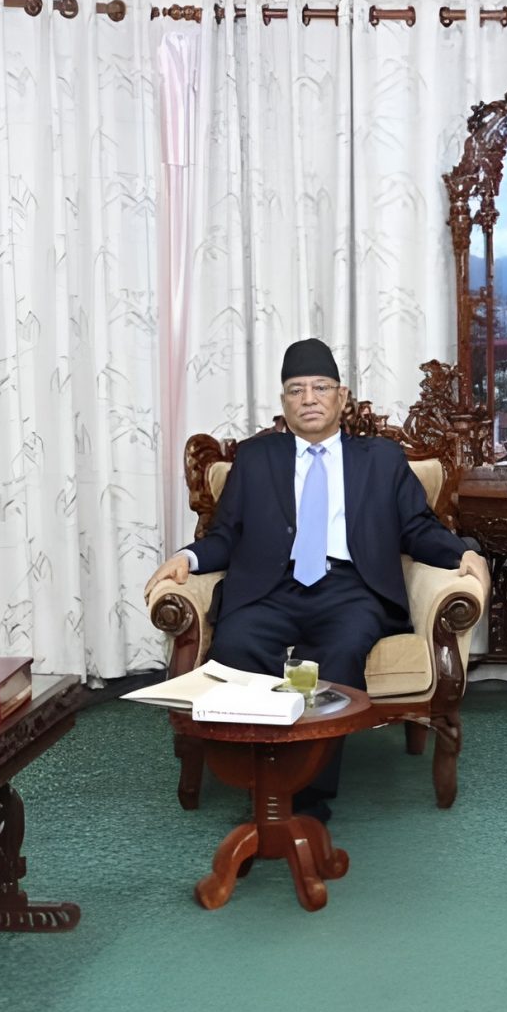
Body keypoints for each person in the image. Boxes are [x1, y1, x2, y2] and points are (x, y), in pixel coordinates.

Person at [154, 338, 487, 819]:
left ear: (341, 396)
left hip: (350, 589)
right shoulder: (255, 458)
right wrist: (186, 557)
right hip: (269, 588)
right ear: (283, 401)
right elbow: (225, 535)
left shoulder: (381, 459)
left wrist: (464, 553)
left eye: (320, 387)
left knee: (341, 649)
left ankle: (305, 797)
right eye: (296, 390)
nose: (308, 399)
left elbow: (417, 528)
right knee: (237, 645)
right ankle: (261, 782)